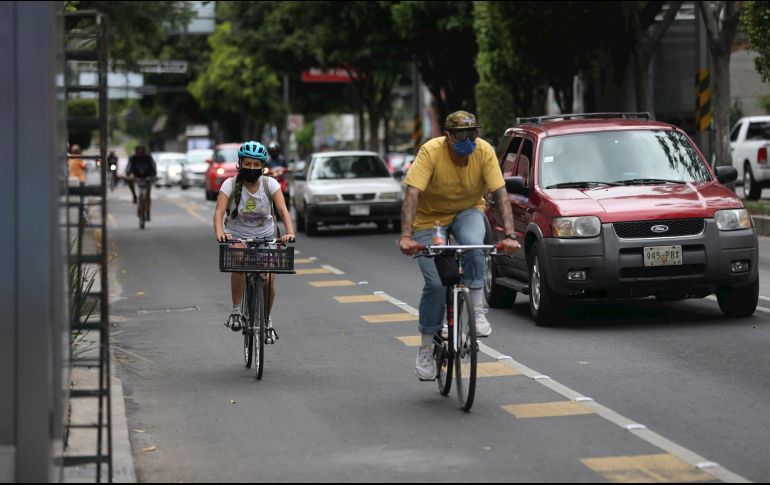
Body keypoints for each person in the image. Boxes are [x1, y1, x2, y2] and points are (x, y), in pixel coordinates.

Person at [398, 110, 520, 381]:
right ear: (448, 136)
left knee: (475, 245)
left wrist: (510, 235)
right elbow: (412, 193)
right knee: (435, 283)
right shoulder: (430, 152)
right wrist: (406, 235)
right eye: (462, 134)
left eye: (472, 133)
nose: (468, 139)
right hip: (429, 221)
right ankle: (426, 348)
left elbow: (500, 193)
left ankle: (476, 312)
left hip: (467, 212)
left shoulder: (484, 151)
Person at [213, 141, 296, 341]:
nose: (251, 168)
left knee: (267, 278)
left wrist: (289, 232)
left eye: (255, 165)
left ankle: (266, 321)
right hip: (237, 235)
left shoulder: (270, 184)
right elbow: (219, 212)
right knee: (239, 261)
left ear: (262, 166)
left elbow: (283, 211)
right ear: (240, 164)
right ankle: (235, 311)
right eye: (247, 164)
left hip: (266, 236)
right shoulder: (230, 184)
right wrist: (220, 232)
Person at [125, 146, 157, 217]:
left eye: (141, 152)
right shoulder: (133, 158)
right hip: (137, 176)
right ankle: (134, 195)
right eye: (138, 152)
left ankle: (147, 210)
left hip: (147, 176)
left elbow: (153, 168)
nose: (140, 154)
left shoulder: (148, 158)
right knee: (130, 180)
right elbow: (128, 168)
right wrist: (129, 175)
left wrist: (152, 176)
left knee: (147, 194)